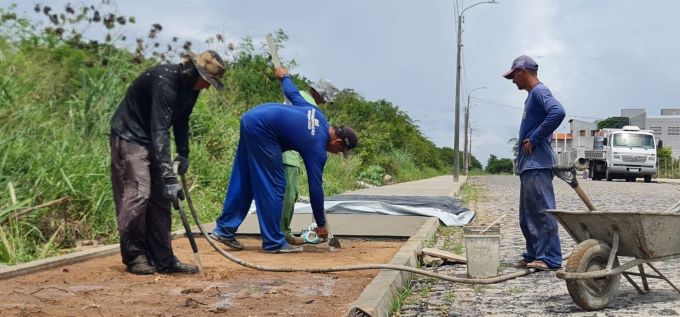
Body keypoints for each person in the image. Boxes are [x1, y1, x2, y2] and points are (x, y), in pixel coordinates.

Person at [210, 67, 357, 253]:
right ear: (337, 142)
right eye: (339, 151)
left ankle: (225, 229)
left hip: (252, 118)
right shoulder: (317, 146)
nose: (335, 153)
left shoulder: (317, 114)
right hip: (264, 131)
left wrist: (284, 76)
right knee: (276, 185)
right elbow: (315, 188)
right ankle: (274, 242)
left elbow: (292, 93)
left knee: (245, 178)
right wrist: (321, 224)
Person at [110, 50, 226, 274]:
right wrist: (169, 176)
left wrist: (183, 153)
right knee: (139, 194)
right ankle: (135, 256)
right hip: (130, 137)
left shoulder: (191, 89)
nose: (208, 86)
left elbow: (181, 120)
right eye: (207, 80)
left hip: (152, 139)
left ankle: (164, 259)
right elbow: (160, 128)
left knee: (162, 198)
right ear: (194, 71)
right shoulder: (165, 81)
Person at [502, 55, 566, 271]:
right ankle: (534, 254)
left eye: (513, 76)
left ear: (522, 72)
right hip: (529, 164)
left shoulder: (540, 91)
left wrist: (536, 136)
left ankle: (550, 257)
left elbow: (558, 112)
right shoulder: (531, 96)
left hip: (538, 163)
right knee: (527, 215)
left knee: (542, 212)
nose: (513, 81)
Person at [280, 78, 338, 246]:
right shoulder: (308, 104)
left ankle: (279, 232)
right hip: (288, 151)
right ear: (319, 94)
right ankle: (282, 233)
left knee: (286, 193)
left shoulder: (301, 97)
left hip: (288, 148)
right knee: (289, 193)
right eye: (324, 99)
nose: (324, 103)